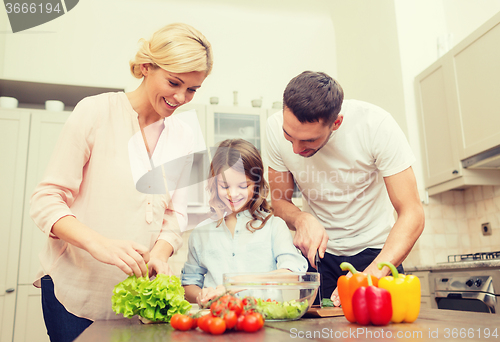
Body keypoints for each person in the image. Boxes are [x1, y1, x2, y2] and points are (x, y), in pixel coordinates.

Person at [29, 23, 213, 342]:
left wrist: (160, 252)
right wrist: (97, 242)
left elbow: (177, 215)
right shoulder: (95, 112)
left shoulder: (187, 136)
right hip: (75, 294)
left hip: (138, 304)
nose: (181, 97)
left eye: (193, 89)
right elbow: (45, 200)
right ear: (145, 67)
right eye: (174, 82)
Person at [264, 71, 425, 306]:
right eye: (289, 137)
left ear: (336, 123)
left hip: (378, 253)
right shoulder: (274, 127)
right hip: (318, 255)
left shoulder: (376, 125)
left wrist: (373, 274)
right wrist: (301, 219)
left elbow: (412, 213)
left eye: (309, 141)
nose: (296, 150)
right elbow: (279, 203)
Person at [181, 139, 308, 305]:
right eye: (224, 186)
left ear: (257, 184)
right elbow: (189, 284)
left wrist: (238, 283)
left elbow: (293, 273)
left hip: (263, 321)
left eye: (243, 186)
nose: (233, 194)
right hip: (218, 321)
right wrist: (201, 296)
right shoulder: (200, 233)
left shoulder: (274, 226)